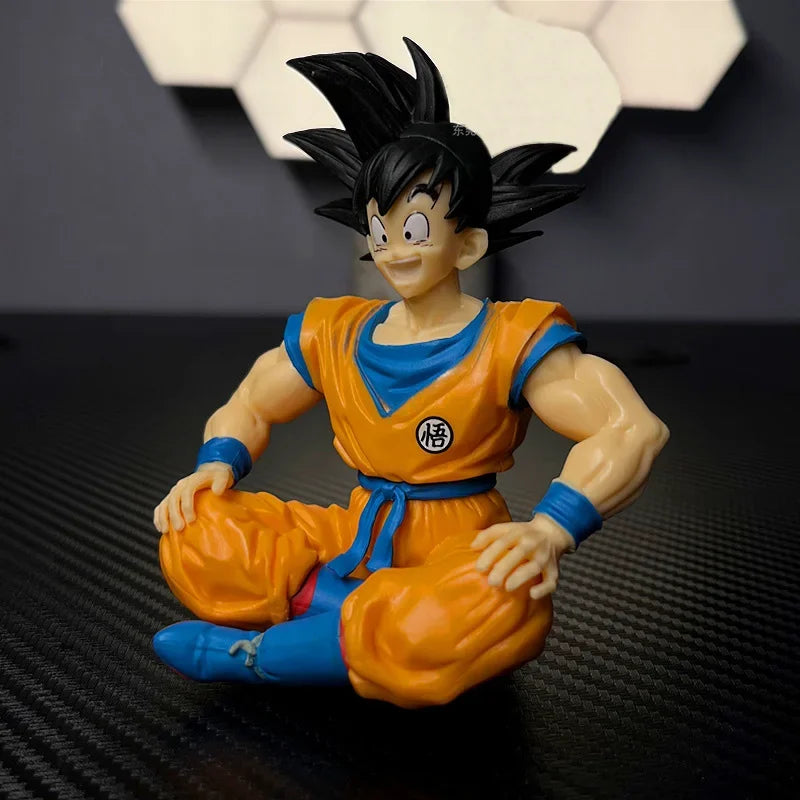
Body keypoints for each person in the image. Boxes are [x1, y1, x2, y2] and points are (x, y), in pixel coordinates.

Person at [151, 39, 669, 708]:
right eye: (380, 228)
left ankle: (261, 655)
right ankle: (361, 625)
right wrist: (216, 463)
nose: (394, 250)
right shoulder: (335, 331)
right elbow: (252, 401)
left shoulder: (511, 339)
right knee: (196, 525)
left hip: (459, 548)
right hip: (357, 534)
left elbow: (630, 430)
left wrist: (550, 530)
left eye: (416, 227)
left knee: (505, 597)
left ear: (469, 243)